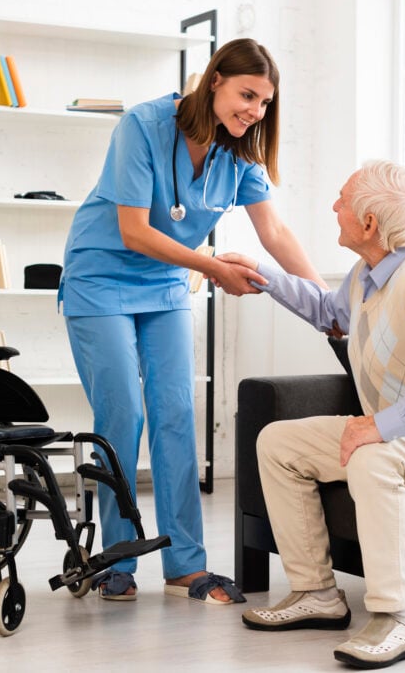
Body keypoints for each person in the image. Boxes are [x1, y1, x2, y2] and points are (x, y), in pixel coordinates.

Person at [59, 38, 325, 604]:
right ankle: (117, 558)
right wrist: (211, 266)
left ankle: (185, 564)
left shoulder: (238, 151)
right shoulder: (142, 125)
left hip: (165, 284)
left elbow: (273, 232)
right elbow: (133, 231)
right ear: (215, 80)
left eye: (263, 103)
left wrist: (326, 303)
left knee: (177, 413)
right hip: (100, 277)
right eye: (247, 95)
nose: (254, 111)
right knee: (122, 413)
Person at [228, 160, 405, 667]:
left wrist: (380, 426)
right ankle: (315, 593)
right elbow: (329, 314)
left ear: (368, 224)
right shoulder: (369, 271)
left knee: (373, 458)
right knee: (278, 442)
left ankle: (394, 618)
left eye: (341, 200)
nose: (332, 207)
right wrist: (263, 276)